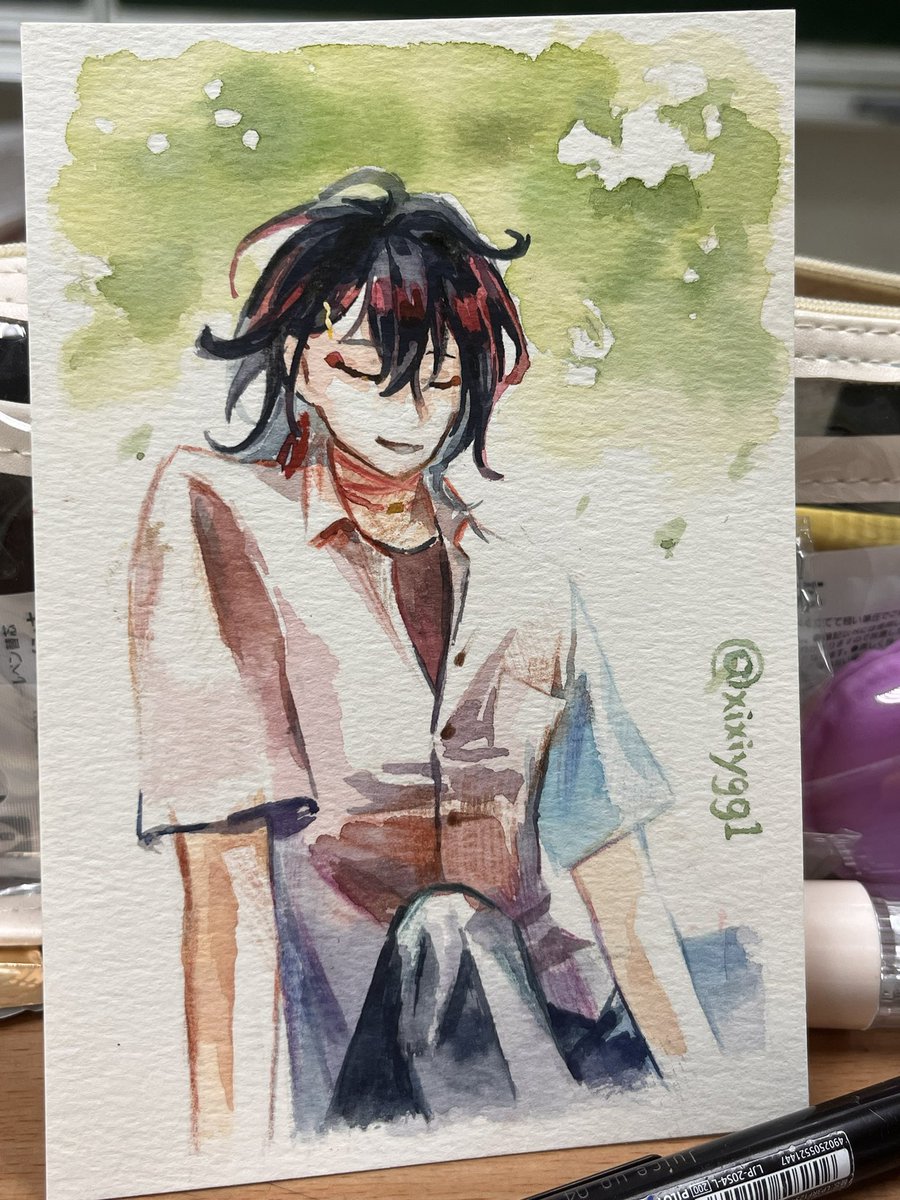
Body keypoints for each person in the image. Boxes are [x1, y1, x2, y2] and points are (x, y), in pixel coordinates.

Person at [129, 168, 715, 1144]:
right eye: (365, 369)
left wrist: (716, 1104)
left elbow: (617, 877)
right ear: (299, 360)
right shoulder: (215, 514)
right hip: (363, 1065)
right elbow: (223, 882)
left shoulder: (530, 584)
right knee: (447, 930)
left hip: (562, 1036)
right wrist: (225, 1157)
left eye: (441, 379)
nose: (406, 409)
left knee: (485, 940)